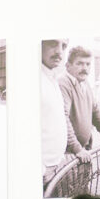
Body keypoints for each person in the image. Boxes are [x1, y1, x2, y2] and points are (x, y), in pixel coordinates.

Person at [61, 48, 100, 160]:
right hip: (70, 154)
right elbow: (63, 119)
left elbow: (95, 112)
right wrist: (77, 148)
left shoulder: (84, 82)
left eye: (88, 64)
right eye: (79, 63)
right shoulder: (63, 83)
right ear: (68, 65)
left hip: (83, 151)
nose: (85, 68)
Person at [40, 41, 70, 172]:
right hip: (43, 171)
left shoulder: (51, 77)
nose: (59, 52)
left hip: (57, 165)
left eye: (63, 46)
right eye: (53, 43)